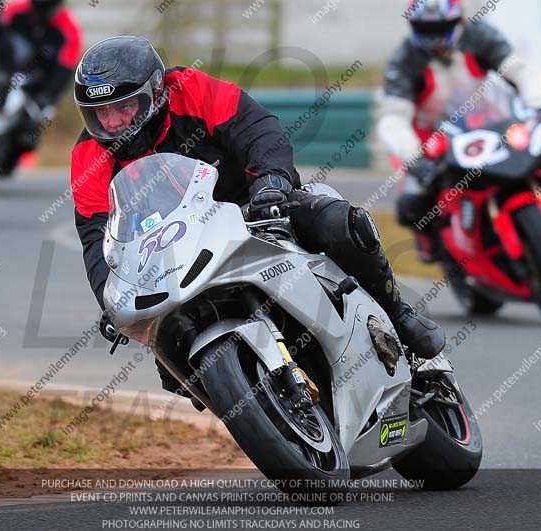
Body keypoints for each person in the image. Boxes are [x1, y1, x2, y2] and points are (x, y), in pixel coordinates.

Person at [71, 36, 446, 393]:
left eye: (124, 107)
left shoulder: (191, 88)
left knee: (337, 223)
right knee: (169, 356)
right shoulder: (88, 156)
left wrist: (271, 182)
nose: (115, 122)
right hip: (176, 253)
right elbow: (97, 237)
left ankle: (398, 314)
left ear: (155, 93)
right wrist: (110, 297)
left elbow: (258, 130)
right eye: (102, 113)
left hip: (256, 209)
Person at [378, 0, 541, 261]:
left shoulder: (481, 36)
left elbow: (520, 71)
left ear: (458, 20)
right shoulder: (403, 60)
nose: (434, 35)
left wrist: (540, 108)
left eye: (441, 26)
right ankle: (433, 239)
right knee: (411, 204)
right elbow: (393, 116)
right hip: (434, 140)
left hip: (492, 125)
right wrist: (415, 158)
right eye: (425, 27)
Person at [0, 0, 82, 170]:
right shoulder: (14, 11)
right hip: (8, 72)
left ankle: (14, 154)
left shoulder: (69, 29)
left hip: (42, 83)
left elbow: (65, 67)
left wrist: (48, 95)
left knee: (37, 120)